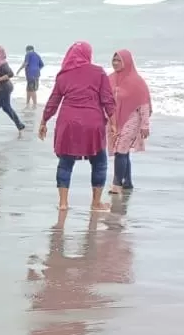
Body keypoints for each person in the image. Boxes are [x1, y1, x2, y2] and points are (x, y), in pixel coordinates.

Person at [40, 42, 115, 211]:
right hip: (92, 123)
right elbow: (107, 99)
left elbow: (53, 101)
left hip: (68, 123)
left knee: (65, 163)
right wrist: (114, 122)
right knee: (99, 162)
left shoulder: (63, 75)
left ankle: (63, 203)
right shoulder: (99, 72)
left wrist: (44, 120)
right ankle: (96, 203)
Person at [107, 49, 151, 193]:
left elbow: (144, 104)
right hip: (114, 120)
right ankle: (128, 182)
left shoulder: (137, 81)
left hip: (132, 118)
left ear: (127, 62)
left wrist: (145, 125)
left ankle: (117, 184)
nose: (115, 63)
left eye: (119, 60)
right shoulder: (110, 78)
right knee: (123, 151)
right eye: (114, 60)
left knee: (121, 150)